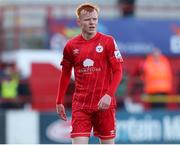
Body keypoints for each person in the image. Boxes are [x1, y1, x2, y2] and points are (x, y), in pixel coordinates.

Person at [56, 3, 123, 144]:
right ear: (79, 22)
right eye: (87, 20)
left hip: (104, 105)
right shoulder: (71, 46)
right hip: (81, 105)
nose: (92, 22)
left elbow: (118, 71)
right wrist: (59, 101)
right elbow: (66, 73)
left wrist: (109, 95)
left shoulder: (108, 41)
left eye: (95, 19)